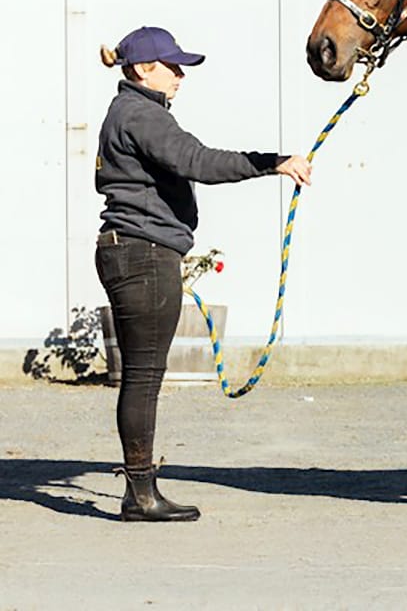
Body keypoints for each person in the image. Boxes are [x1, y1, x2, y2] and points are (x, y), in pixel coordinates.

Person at [94, 26, 312, 522]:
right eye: (172, 66)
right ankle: (141, 494)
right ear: (141, 69)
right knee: (145, 377)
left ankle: (140, 488)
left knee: (142, 375)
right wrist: (271, 163)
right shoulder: (141, 115)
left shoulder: (129, 112)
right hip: (142, 255)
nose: (180, 75)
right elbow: (198, 161)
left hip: (133, 251)